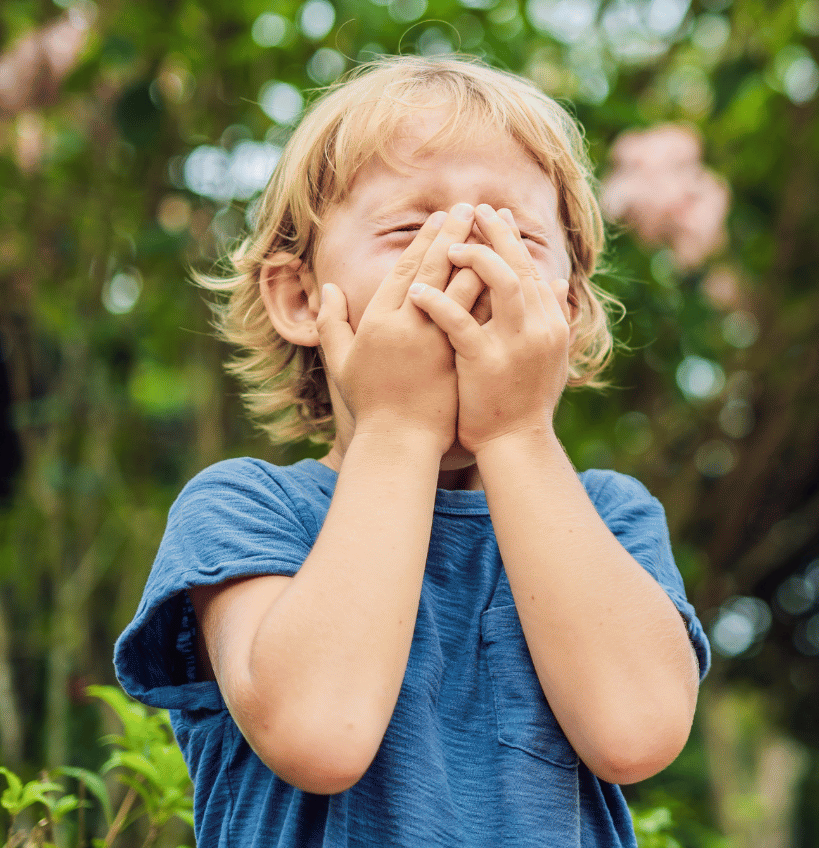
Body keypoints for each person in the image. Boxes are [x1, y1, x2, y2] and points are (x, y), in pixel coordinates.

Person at [113, 55, 710, 847]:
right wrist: (398, 427)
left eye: (516, 237)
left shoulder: (611, 517)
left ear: (564, 314)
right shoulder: (244, 509)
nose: (463, 260)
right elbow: (319, 735)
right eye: (410, 231)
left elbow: (636, 735)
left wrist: (516, 433)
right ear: (300, 297)